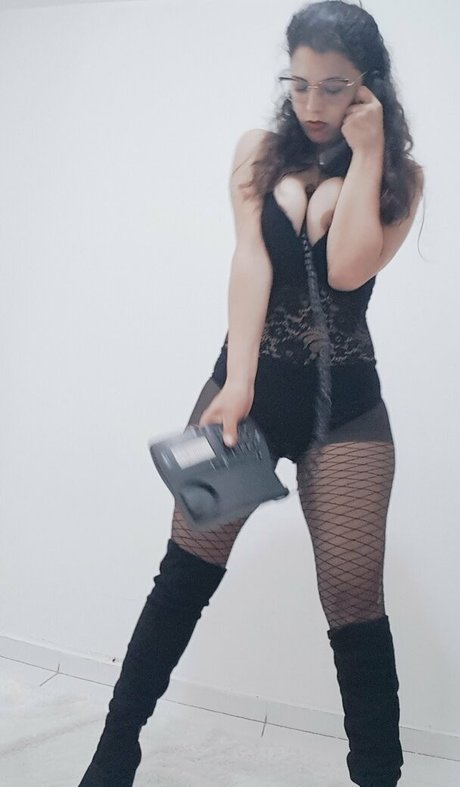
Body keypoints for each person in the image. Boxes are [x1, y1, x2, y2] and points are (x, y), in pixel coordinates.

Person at [77, 2, 424, 785]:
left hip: (349, 410)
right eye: (299, 84)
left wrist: (368, 154)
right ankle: (115, 747)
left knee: (353, 598)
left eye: (333, 86)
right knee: (183, 576)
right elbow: (250, 264)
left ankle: (378, 775)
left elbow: (348, 269)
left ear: (368, 87)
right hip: (248, 393)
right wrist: (236, 384)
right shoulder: (258, 152)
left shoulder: (403, 177)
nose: (312, 104)